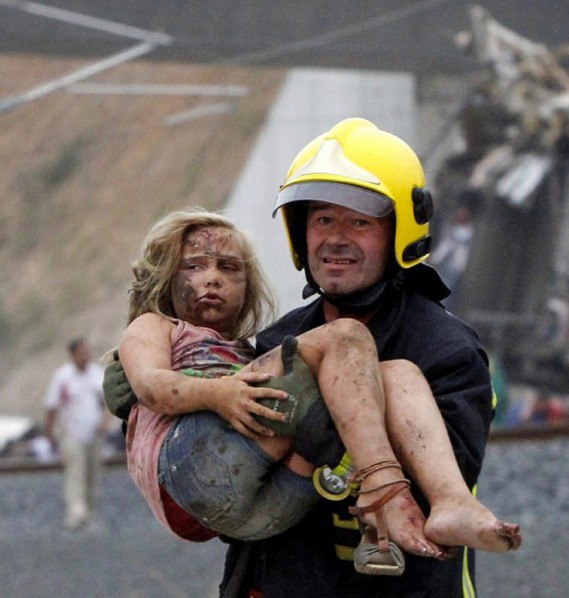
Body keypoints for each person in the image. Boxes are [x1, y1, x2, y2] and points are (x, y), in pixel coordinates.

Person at [106, 117, 503, 597]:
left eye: (360, 221)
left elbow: (442, 475)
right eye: (322, 219)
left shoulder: (445, 349)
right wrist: (158, 398)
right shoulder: (281, 338)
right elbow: (229, 505)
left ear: (400, 230)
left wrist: (323, 436)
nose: (336, 237)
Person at [44, 337, 109, 530]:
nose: (86, 356)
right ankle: (76, 512)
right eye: (81, 352)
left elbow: (107, 403)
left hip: (95, 434)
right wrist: (48, 433)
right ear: (73, 355)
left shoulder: (97, 375)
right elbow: (52, 406)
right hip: (71, 433)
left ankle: (88, 513)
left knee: (92, 474)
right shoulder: (62, 377)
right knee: (76, 471)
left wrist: (105, 422)